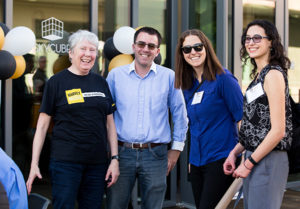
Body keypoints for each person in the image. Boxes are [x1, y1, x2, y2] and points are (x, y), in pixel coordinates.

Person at [26, 30, 119, 209]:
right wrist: (34, 164)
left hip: (97, 164)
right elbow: (43, 126)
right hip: (65, 163)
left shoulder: (101, 82)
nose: (88, 54)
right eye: (82, 49)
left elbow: (110, 124)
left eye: (92, 50)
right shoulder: (56, 82)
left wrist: (114, 159)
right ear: (71, 53)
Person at [106, 26, 188, 209]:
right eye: (141, 44)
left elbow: (180, 115)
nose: (146, 49)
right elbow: (106, 115)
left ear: (157, 51)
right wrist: (111, 154)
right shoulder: (115, 76)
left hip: (155, 155)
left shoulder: (169, 77)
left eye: (151, 46)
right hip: (121, 153)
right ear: (134, 46)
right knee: (115, 205)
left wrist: (176, 149)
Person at [223, 19, 292, 209]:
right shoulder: (258, 76)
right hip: (254, 156)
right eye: (247, 38)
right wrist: (234, 152)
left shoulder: (273, 75)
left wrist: (248, 163)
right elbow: (256, 128)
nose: (251, 42)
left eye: (257, 37)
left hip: (269, 158)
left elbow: (278, 131)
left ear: (271, 42)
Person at [174, 29, 243, 209]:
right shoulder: (187, 85)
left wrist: (242, 156)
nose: (193, 52)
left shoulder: (224, 79)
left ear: (206, 48)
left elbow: (242, 119)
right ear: (182, 54)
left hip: (221, 159)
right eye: (187, 49)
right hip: (197, 162)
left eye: (197, 47)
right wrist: (191, 160)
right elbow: (194, 125)